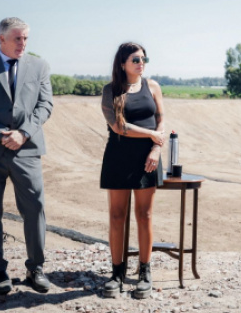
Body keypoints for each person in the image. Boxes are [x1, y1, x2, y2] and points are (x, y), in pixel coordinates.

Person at [0, 17, 54, 294]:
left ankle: (35, 268)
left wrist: (23, 133)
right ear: (1, 39)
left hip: (27, 150)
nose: (23, 43)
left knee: (35, 208)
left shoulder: (39, 66)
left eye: (26, 38)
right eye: (18, 38)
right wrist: (1, 134)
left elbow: (45, 105)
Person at [100, 42, 165, 299]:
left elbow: (161, 118)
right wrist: (151, 135)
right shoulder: (110, 91)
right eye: (136, 60)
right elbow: (118, 127)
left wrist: (156, 149)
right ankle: (116, 273)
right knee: (117, 216)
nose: (141, 63)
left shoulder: (153, 86)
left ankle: (144, 272)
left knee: (144, 215)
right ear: (122, 63)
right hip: (118, 156)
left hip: (147, 157)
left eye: (143, 58)